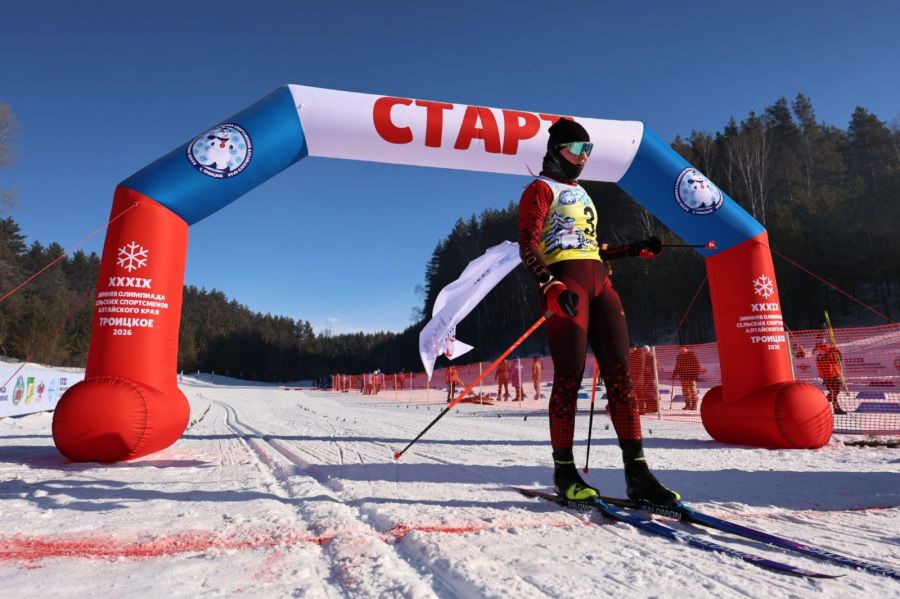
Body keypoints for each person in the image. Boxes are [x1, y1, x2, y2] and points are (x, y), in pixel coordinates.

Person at [518, 117, 680, 506]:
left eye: (588, 151)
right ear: (556, 150)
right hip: (565, 281)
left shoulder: (583, 194)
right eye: (577, 149)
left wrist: (632, 249)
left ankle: (638, 473)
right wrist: (549, 283)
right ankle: (565, 471)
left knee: (622, 377)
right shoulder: (540, 189)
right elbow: (527, 243)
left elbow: (592, 245)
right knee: (569, 377)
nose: (583, 158)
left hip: (599, 283)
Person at [813, 335, 846, 414]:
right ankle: (836, 408)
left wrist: (837, 351)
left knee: (836, 391)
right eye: (819, 340)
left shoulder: (830, 348)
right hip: (826, 374)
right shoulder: (816, 350)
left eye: (822, 340)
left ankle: (824, 400)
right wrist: (829, 352)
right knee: (832, 391)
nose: (821, 342)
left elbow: (839, 359)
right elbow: (819, 358)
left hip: (834, 372)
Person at [673, 345, 701, 411]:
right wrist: (674, 373)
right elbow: (677, 366)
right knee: (685, 391)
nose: (681, 351)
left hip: (691, 376)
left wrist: (696, 374)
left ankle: (694, 405)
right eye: (680, 349)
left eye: (683, 349)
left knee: (692, 390)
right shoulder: (679, 356)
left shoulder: (691, 355)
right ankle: (688, 404)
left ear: (686, 349)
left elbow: (697, 365)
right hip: (683, 376)